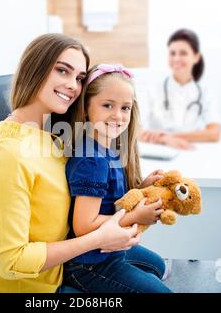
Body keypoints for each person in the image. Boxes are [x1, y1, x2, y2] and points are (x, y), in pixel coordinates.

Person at [0, 34, 142, 293]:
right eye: (62, 71)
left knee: (151, 269)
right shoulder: (8, 155)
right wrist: (97, 238)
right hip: (34, 289)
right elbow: (10, 261)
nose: (73, 86)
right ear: (34, 68)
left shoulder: (49, 135)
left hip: (61, 270)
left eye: (79, 78)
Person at [63, 64, 172, 293]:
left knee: (159, 266)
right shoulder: (92, 161)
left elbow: (110, 201)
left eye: (125, 108)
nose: (118, 115)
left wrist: (142, 188)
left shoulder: (106, 146)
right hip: (89, 264)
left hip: (109, 251)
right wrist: (134, 216)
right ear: (85, 108)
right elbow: (83, 226)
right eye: (107, 105)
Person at [139, 28, 221, 150]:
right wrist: (165, 139)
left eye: (183, 53)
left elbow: (214, 133)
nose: (176, 58)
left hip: (192, 150)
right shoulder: (152, 90)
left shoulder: (205, 93)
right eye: (172, 53)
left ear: (196, 57)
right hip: (160, 151)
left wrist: (170, 136)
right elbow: (136, 131)